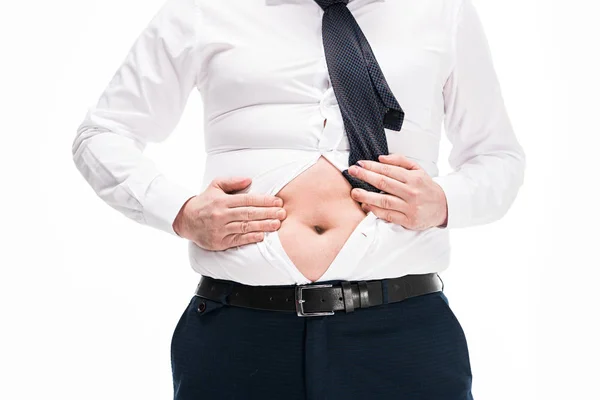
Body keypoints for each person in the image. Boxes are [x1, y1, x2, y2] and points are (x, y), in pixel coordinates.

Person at [72, 0, 526, 398]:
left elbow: (498, 157)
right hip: (239, 333)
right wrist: (181, 212)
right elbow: (102, 134)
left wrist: (444, 200)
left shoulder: (442, 11)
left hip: (401, 333)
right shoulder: (203, 8)